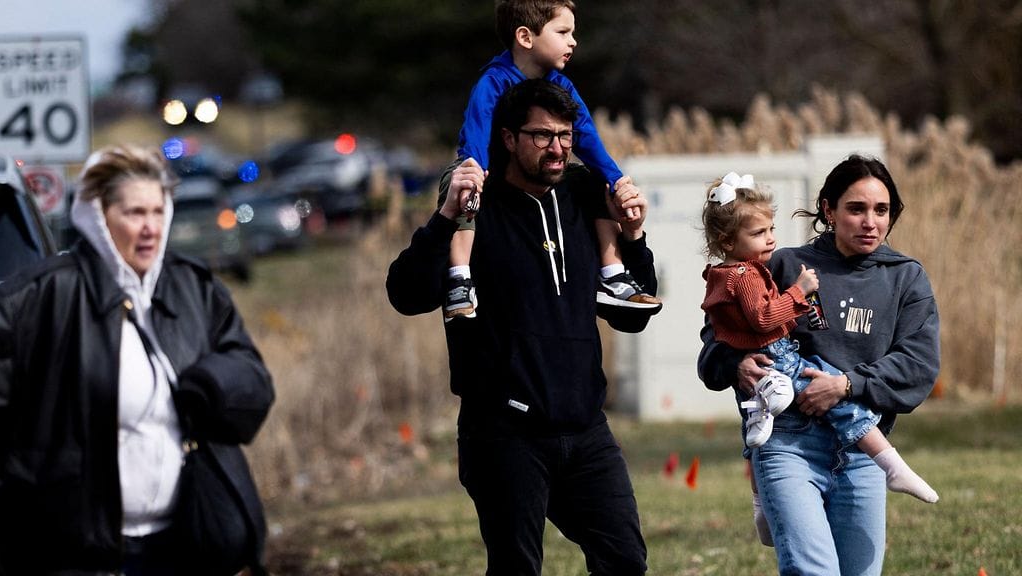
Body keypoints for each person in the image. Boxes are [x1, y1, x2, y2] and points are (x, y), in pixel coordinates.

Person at [387, 79, 656, 575]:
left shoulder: (582, 196)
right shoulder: (476, 206)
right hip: (504, 433)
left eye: (565, 135)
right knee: (516, 567)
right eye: (541, 136)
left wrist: (634, 238)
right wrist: (445, 217)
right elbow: (405, 294)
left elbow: (629, 315)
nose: (557, 148)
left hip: (585, 428)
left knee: (624, 559)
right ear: (508, 138)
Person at [0, 145, 274, 575]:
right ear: (98, 217)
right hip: (76, 554)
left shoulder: (194, 290)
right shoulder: (38, 299)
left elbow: (254, 379)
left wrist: (214, 384)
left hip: (182, 541)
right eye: (134, 213)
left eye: (157, 212)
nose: (150, 229)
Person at [698, 156, 941, 575]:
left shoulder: (906, 278)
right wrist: (735, 363)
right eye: (856, 208)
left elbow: (918, 365)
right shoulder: (783, 265)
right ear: (828, 210)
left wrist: (846, 384)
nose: (870, 221)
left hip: (865, 453)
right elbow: (716, 341)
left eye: (881, 211)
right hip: (789, 446)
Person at [438, 0, 661, 321]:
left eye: (573, 33)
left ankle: (612, 273)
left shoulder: (562, 86)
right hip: (488, 168)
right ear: (526, 37)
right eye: (562, 32)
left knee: (595, 181)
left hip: (540, 175)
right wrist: (475, 171)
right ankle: (459, 277)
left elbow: (586, 136)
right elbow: (477, 129)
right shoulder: (494, 81)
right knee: (458, 183)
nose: (573, 41)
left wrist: (616, 179)